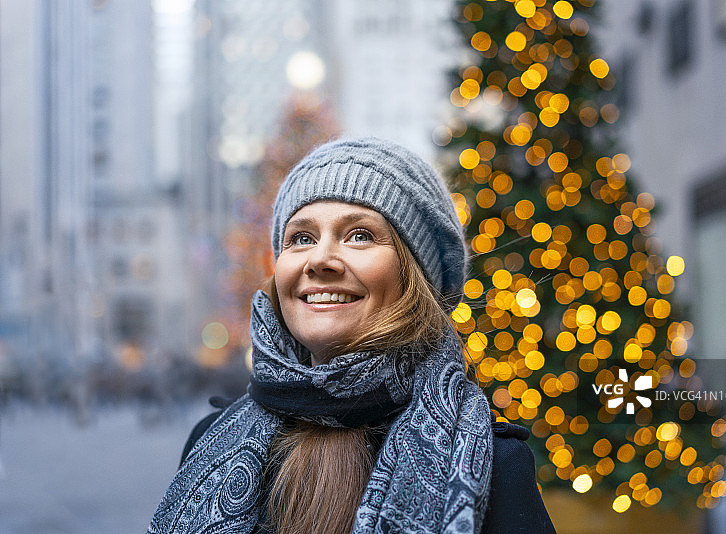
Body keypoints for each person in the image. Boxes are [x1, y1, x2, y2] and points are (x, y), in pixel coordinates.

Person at [149, 138, 555, 534]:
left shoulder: (497, 465)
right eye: (301, 238)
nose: (320, 259)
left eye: (359, 235)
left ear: (416, 276)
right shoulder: (210, 441)